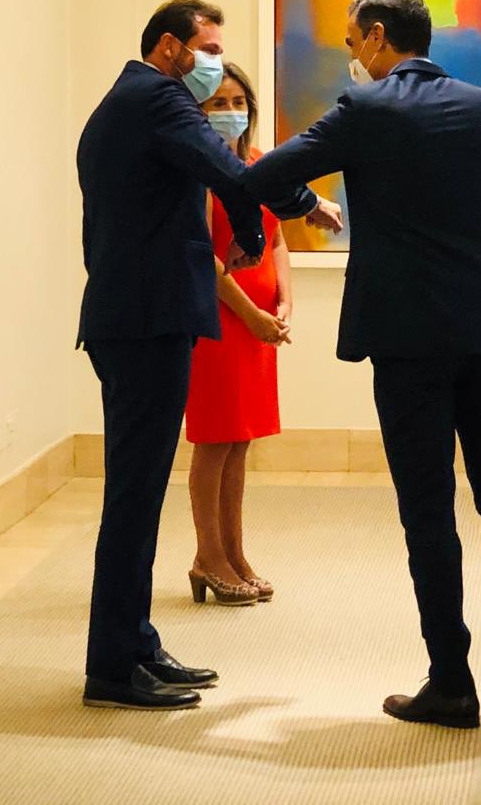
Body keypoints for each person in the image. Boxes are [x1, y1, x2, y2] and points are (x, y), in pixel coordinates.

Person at [244, 0, 481, 729]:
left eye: (353, 43)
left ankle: (451, 683)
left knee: (427, 511)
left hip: (407, 344)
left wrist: (305, 208)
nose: (352, 56)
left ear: (378, 36)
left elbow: (266, 177)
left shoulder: (366, 110)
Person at [76, 0, 342, 711]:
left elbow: (217, 179)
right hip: (145, 323)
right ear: (170, 47)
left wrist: (260, 221)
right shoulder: (158, 100)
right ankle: (113, 666)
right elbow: (229, 169)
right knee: (133, 500)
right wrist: (299, 202)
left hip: (136, 319)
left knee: (137, 497)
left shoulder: (132, 101)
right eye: (210, 48)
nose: (217, 62)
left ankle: (135, 645)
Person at [184, 63, 290, 607]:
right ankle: (208, 557)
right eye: (217, 103)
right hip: (221, 322)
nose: (230, 112)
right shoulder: (200, 175)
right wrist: (250, 314)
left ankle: (235, 553)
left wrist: (284, 301)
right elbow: (203, 256)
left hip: (259, 325)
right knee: (215, 440)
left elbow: (276, 240)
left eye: (237, 101)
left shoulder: (258, 166)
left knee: (240, 441)